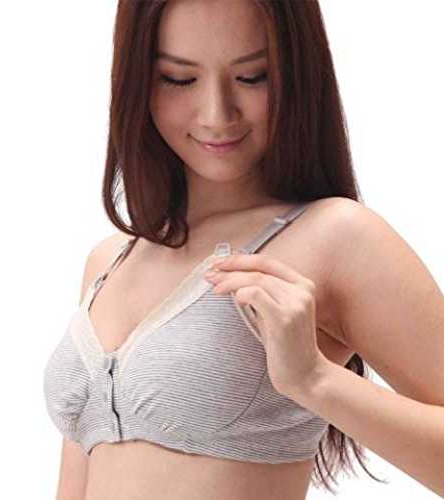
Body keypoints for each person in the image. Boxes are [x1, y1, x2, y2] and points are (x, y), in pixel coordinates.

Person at [43, 1, 444, 499]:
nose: (217, 115)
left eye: (253, 77)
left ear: (297, 73)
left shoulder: (336, 238)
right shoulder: (108, 262)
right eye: (179, 79)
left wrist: (315, 380)